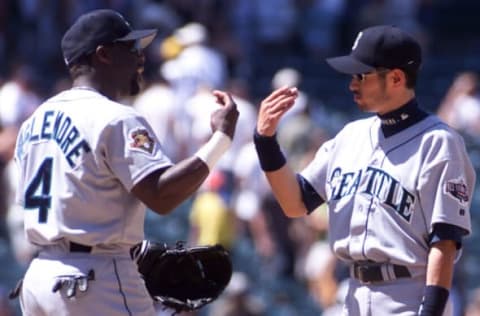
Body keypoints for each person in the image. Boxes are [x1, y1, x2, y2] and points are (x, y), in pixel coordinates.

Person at [13, 9, 238, 316]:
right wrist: (221, 139)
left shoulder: (33, 122)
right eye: (130, 48)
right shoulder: (116, 117)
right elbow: (161, 195)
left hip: (39, 279)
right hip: (95, 279)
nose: (141, 58)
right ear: (103, 55)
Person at [253, 24, 475, 316]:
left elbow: (444, 242)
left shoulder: (439, 143)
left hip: (409, 297)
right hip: (354, 295)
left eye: (362, 75)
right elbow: (294, 203)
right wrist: (266, 141)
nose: (352, 84)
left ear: (396, 77)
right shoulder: (349, 137)